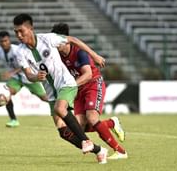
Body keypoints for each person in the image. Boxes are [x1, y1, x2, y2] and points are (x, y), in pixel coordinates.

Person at [13, 13, 108, 164]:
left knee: (60, 108)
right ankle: (99, 150)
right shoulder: (19, 52)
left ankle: (86, 141)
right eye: (16, 32)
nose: (18, 35)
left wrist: (94, 55)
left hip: (66, 83)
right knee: (63, 132)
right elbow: (28, 75)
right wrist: (36, 77)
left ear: (31, 28)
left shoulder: (48, 38)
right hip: (51, 92)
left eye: (21, 31)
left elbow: (73, 40)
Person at [51, 23, 127, 160]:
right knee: (78, 128)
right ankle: (111, 123)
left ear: (65, 40)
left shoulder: (79, 52)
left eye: (58, 42)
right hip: (78, 90)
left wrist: (69, 86)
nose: (55, 45)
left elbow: (88, 75)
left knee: (92, 118)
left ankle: (120, 151)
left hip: (92, 84)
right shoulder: (57, 56)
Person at [0, 31, 48, 127]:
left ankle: (64, 108)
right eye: (1, 41)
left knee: (44, 98)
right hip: (15, 79)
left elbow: (25, 65)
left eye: (5, 41)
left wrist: (11, 72)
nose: (4, 43)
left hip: (29, 76)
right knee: (7, 94)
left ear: (9, 40)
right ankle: (13, 120)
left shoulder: (17, 50)